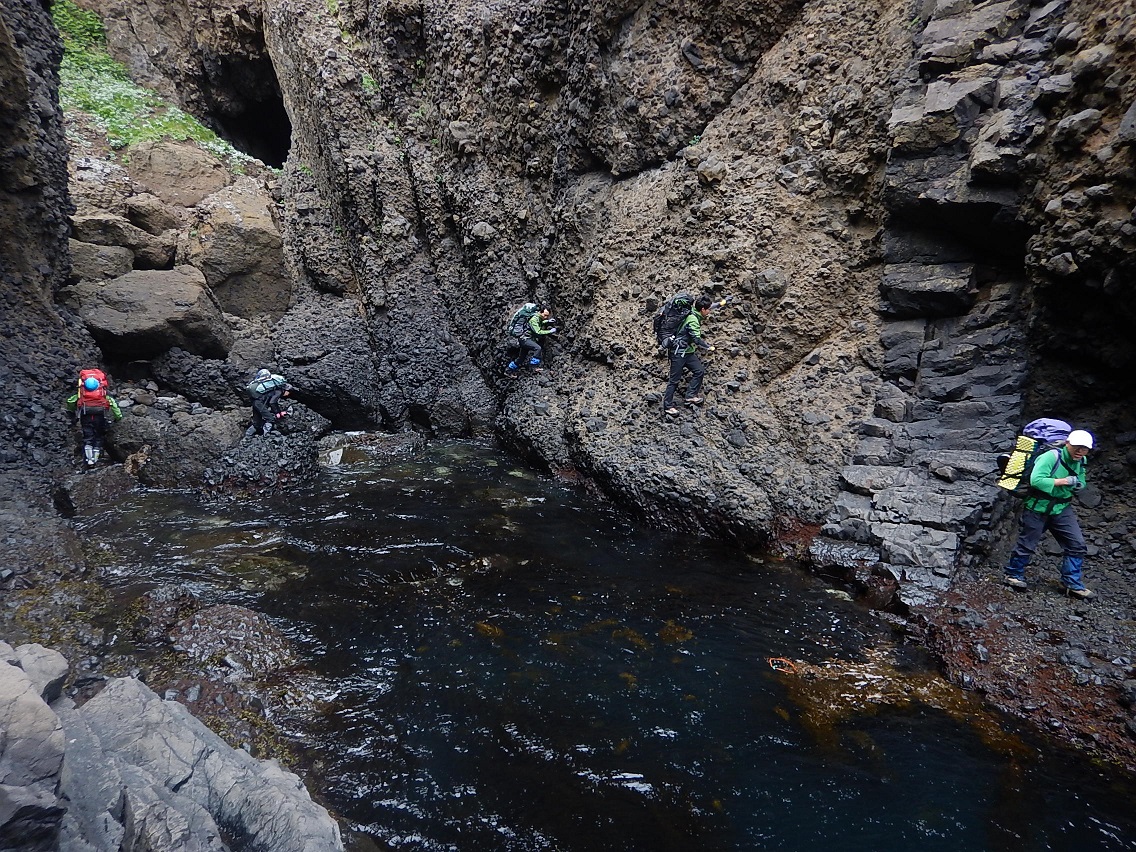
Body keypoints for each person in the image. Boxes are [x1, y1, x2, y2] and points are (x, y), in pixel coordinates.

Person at [1004, 429, 1096, 598]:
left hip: (1061, 508)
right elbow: (1036, 480)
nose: (1080, 451)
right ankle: (1013, 574)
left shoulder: (1081, 461)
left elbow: (1082, 480)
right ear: (1067, 443)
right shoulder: (1050, 457)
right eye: (1076, 446)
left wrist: (1079, 485)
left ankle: (1071, 583)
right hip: (1038, 507)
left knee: (1077, 544)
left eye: (1084, 448)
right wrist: (1064, 481)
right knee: (1027, 543)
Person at [662, 295, 715, 415]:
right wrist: (708, 347)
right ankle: (667, 406)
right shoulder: (693, 320)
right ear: (703, 309)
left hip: (688, 352)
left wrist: (722, 302)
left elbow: (712, 306)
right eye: (708, 309)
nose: (710, 311)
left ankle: (690, 396)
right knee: (674, 380)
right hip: (678, 353)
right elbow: (696, 339)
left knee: (699, 371)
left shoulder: (694, 311)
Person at [65, 370, 122, 466]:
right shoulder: (103, 394)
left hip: (86, 416)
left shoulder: (81, 394)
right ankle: (95, 459)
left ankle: (89, 458)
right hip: (100, 417)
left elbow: (70, 402)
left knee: (88, 436)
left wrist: (71, 411)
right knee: (98, 436)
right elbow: (114, 406)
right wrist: (118, 417)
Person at [507, 305, 557, 375]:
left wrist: (547, 321)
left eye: (547, 316)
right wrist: (550, 331)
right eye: (545, 315)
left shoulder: (538, 317)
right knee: (538, 348)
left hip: (524, 339)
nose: (546, 317)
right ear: (540, 312)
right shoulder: (534, 319)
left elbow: (539, 323)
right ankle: (534, 367)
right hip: (525, 340)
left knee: (521, 358)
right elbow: (538, 331)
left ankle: (508, 371)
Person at [245, 368, 293, 437]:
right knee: (270, 419)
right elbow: (272, 402)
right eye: (288, 392)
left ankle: (247, 436)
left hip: (255, 402)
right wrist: (278, 413)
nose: (288, 394)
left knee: (257, 423)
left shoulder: (274, 389)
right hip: (259, 404)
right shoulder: (279, 392)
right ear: (286, 390)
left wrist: (278, 412)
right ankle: (265, 436)